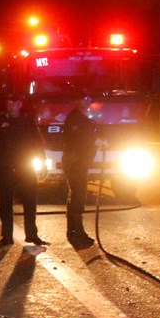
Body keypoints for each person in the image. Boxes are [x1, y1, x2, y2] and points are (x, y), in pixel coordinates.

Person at [0, 94, 47, 247]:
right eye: (8, 103)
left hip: (25, 166)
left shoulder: (27, 121)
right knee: (5, 203)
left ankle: (32, 234)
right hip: (6, 167)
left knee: (30, 201)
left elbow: (37, 142)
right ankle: (6, 236)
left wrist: (42, 162)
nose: (11, 106)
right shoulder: (0, 121)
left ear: (20, 104)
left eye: (14, 103)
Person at [62, 96, 97, 246]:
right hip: (75, 163)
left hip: (79, 162)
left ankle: (73, 230)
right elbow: (79, 141)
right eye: (84, 99)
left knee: (76, 195)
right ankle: (77, 231)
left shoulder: (82, 117)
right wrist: (94, 144)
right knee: (78, 196)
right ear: (78, 101)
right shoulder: (75, 118)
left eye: (89, 99)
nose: (87, 102)